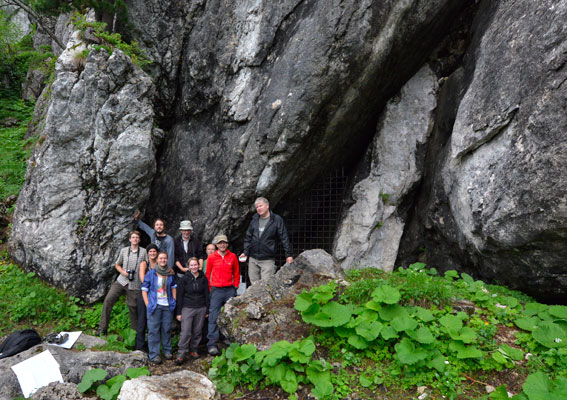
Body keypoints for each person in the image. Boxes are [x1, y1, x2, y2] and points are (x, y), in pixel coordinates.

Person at [98, 231, 148, 336]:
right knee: (108, 300)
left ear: (139, 240)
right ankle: (102, 329)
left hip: (135, 283)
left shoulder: (143, 252)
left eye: (137, 237)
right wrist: (123, 272)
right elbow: (117, 264)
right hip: (121, 280)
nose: (135, 239)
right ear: (129, 239)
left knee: (133, 308)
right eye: (133, 237)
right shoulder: (124, 251)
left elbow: (147, 266)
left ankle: (134, 336)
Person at [240, 197, 293, 284]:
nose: (258, 208)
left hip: (267, 259)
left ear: (267, 206)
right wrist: (245, 252)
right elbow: (248, 237)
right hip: (253, 259)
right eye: (257, 207)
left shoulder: (276, 220)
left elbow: (284, 237)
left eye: (260, 206)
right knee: (254, 286)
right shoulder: (254, 219)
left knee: (266, 285)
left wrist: (288, 255)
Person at [205, 235, 239, 355]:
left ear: (227, 244)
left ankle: (230, 340)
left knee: (230, 315)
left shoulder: (233, 256)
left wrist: (235, 287)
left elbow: (236, 273)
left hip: (229, 289)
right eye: (220, 243)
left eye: (224, 243)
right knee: (213, 316)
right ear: (217, 245)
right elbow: (208, 273)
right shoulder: (211, 257)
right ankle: (212, 343)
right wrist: (210, 289)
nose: (222, 245)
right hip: (216, 290)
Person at [141, 251, 177, 364]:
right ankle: (154, 354)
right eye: (160, 258)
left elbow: (174, 287)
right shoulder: (151, 273)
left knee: (166, 329)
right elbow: (144, 290)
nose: (163, 260)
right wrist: (147, 304)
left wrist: (174, 300)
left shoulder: (170, 272)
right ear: (157, 260)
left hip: (167, 305)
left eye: (165, 258)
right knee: (153, 330)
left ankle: (167, 351)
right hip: (154, 305)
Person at [175, 257, 210, 364]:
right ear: (188, 267)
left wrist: (207, 310)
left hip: (201, 307)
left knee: (198, 331)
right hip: (187, 307)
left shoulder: (203, 278)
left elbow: (206, 295)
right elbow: (179, 296)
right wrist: (179, 312)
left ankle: (194, 349)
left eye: (195, 265)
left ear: (199, 266)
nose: (194, 267)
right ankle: (181, 353)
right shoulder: (184, 279)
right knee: (185, 331)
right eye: (191, 265)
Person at [135, 243, 158, 351]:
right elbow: (143, 279)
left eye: (154, 251)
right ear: (147, 253)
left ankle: (152, 347)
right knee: (142, 320)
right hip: (145, 293)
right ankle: (139, 346)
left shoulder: (159, 263)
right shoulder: (144, 264)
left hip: (156, 295)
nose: (152, 253)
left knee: (154, 322)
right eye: (150, 252)